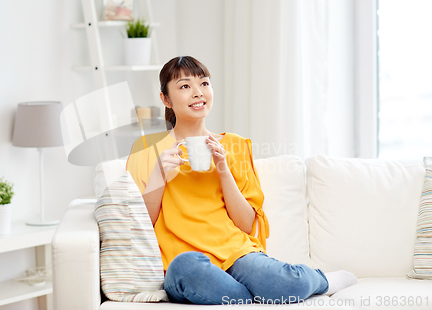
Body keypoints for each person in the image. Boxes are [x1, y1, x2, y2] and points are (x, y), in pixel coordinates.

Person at [126, 56, 357, 305]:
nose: (197, 92)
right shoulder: (146, 149)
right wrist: (159, 174)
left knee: (286, 282)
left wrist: (224, 170)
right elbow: (140, 226)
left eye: (204, 83)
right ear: (166, 99)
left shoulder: (234, 146)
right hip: (183, 262)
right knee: (187, 266)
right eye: (184, 86)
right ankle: (258, 296)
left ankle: (322, 281)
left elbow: (246, 224)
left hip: (236, 254)